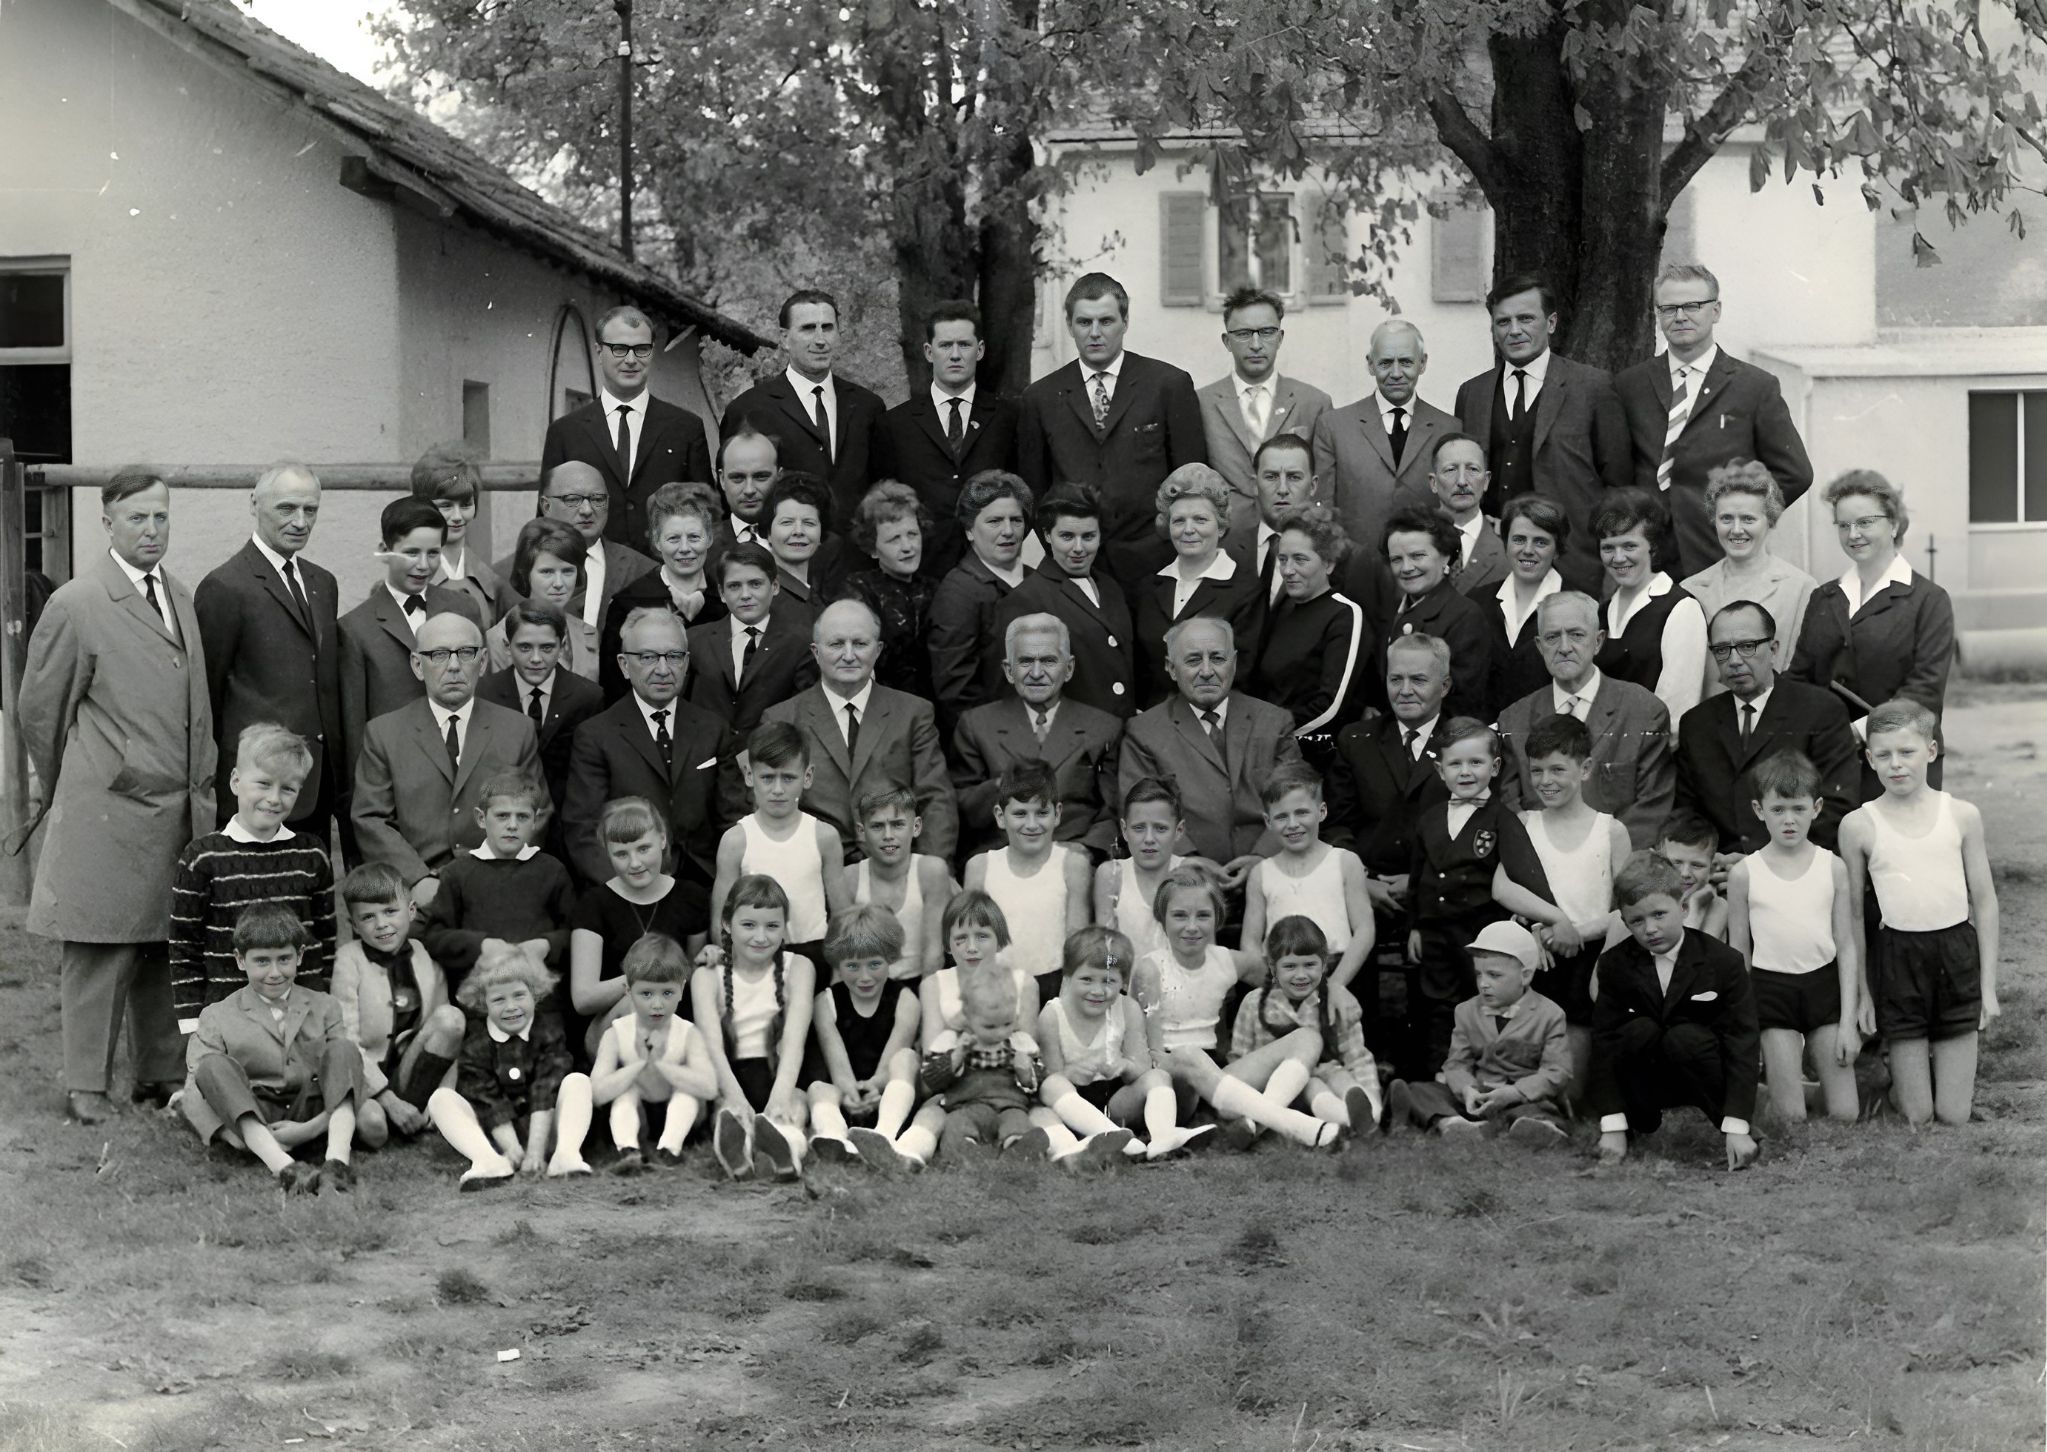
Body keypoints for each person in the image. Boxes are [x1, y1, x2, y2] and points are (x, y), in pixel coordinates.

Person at [18, 466, 216, 1122]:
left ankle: (159, 1073)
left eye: (161, 517)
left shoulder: (179, 596)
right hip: (107, 812)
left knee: (164, 944)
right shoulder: (78, 602)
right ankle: (86, 1087)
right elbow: (40, 712)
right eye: (138, 518)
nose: (152, 530)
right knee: (100, 948)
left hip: (176, 809)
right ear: (107, 523)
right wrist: (78, 785)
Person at [1839, 699, 1999, 1126]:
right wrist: (1863, 996)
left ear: (1930, 751)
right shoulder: (1858, 825)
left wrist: (1987, 987)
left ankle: (1940, 1075)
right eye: (1884, 755)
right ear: (1869, 758)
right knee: (1919, 1116)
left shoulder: (1963, 816)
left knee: (1953, 1115)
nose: (1896, 765)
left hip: (1955, 956)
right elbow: (1854, 916)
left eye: (1907, 752)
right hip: (1897, 959)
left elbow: (1984, 901)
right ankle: (1901, 1085)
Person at [1614, 265, 1813, 577]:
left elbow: (1795, 473)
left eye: (1693, 306)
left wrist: (1744, 519)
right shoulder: (1631, 385)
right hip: (1648, 557)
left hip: (1719, 554)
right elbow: (1618, 472)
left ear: (1716, 311)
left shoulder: (1754, 386)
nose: (1680, 317)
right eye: (1668, 308)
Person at [1016, 272, 1207, 590]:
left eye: (1105, 321)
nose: (1094, 333)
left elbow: (1191, 479)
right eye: (1084, 323)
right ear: (1069, 325)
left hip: (1156, 564)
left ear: (1125, 320)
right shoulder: (1040, 398)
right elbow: (1034, 491)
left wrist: (1166, 543)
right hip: (1076, 568)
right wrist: (1067, 545)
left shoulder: (1167, 385)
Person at [1132, 866, 1343, 1150]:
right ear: (1162, 918)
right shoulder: (1151, 969)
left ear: (1217, 919)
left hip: (1217, 1078)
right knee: (1189, 1055)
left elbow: (1286, 973)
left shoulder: (1226, 961)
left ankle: (1255, 1123)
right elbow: (1153, 1054)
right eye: (1180, 915)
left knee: (1308, 1038)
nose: (1192, 926)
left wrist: (1332, 989)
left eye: (1203, 915)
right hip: (1170, 1084)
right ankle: (1295, 1125)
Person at [1404, 718, 1565, 1080]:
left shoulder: (1502, 821)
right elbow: (1418, 879)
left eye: (1475, 763)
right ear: (1439, 769)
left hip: (1481, 938)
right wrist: (1415, 926)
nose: (1465, 772)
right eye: (1455, 764)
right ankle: (1438, 1077)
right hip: (1436, 936)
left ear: (1494, 768)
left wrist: (1539, 927)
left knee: (1482, 1002)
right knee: (1438, 1004)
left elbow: (1527, 877)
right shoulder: (1429, 820)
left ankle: (1489, 1073)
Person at [350, 611, 543, 910]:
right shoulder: (384, 732)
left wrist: (497, 873)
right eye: (438, 655)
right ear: (417, 665)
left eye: (465, 653)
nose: (454, 666)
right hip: (416, 895)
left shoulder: (517, 729)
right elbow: (371, 819)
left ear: (483, 662)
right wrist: (417, 880)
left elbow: (538, 811)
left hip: (498, 888)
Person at [194, 461, 343, 840]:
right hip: (258, 791)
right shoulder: (225, 586)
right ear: (254, 504)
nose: (300, 522)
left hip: (314, 783)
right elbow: (207, 697)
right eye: (287, 509)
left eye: (310, 510)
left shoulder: (322, 583)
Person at [1788, 471, 1956, 796]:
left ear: (1893, 524)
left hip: (1902, 760)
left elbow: (1924, 691)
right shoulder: (1824, 597)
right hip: (1829, 762)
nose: (1853, 534)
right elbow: (1800, 677)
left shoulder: (1929, 600)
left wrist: (1855, 732)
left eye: (1865, 522)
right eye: (1843, 525)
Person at [1590, 852, 1761, 1171]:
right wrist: (1611, 1125)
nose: (1650, 929)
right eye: (1637, 921)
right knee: (1637, 1030)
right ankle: (1633, 1124)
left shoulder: (1723, 962)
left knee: (1685, 1037)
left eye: (1659, 914)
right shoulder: (1614, 965)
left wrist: (1737, 1124)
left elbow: (1742, 1042)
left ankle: (1735, 1129)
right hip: (1646, 1074)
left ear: (1683, 908)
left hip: (1703, 1068)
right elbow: (1605, 1043)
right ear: (1624, 922)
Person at [179, 904, 363, 1194]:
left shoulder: (324, 1005)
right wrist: (233, 1135)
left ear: (299, 956)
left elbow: (345, 1076)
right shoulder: (216, 1015)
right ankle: (285, 1168)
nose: (275, 972)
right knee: (210, 1066)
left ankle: (337, 1164)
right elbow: (195, 1088)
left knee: (344, 1049)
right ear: (240, 960)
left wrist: (312, 1129)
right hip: (253, 1111)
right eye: (262, 961)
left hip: (310, 1108)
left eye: (284, 959)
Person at [562, 609, 743, 895]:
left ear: (686, 663)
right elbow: (583, 831)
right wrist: (625, 889)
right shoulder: (596, 735)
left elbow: (733, 820)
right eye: (647, 657)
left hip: (705, 884)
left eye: (673, 656)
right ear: (623, 664)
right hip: (627, 888)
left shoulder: (713, 729)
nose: (662, 669)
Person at [762, 598, 959, 859]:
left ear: (877, 650)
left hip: (894, 869)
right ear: (815, 651)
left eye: (860, 644)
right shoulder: (782, 718)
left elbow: (936, 801)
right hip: (814, 868)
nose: (848, 655)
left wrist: (932, 871)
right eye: (836, 644)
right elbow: (768, 808)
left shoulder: (913, 713)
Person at [1452, 274, 1630, 563]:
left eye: (1526, 319)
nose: (1514, 330)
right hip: (1492, 559)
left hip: (1571, 558)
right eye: (1503, 322)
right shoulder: (1472, 393)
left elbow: (1618, 483)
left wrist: (1599, 550)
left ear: (1551, 323)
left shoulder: (1592, 387)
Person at [1726, 752, 1861, 1124]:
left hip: (1823, 989)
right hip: (1772, 992)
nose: (1789, 820)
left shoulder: (1832, 868)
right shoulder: (1744, 874)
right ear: (1759, 809)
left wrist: (1848, 1022)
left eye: (1799, 809)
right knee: (1791, 1119)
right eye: (1778, 809)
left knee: (1846, 1114)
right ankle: (1777, 1088)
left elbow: (1846, 946)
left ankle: (1803, 1085)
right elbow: (1739, 953)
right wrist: (1744, 1023)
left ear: (1816, 808)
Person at [170, 724, 336, 1020]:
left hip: (300, 1015)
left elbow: (324, 942)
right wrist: (193, 1022)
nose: (274, 798)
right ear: (235, 781)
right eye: (263, 783)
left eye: (287, 788)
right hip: (228, 1018)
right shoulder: (202, 857)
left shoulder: (311, 855)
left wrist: (320, 1007)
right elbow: (185, 947)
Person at [1118, 617, 1301, 884]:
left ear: (1234, 663)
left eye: (1217, 658)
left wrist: (1263, 860)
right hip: (1183, 882)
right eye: (1193, 660)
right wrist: (1186, 862)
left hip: (1274, 875)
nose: (1206, 671)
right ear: (1171, 667)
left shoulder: (1274, 722)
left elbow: (1295, 802)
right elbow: (1139, 813)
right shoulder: (1144, 732)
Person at [1675, 600, 1859, 856]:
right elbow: (1687, 814)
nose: (1734, 660)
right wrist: (1709, 860)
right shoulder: (1696, 723)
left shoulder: (1821, 710)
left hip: (1796, 868)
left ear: (1773, 649)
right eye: (1721, 650)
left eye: (1747, 646)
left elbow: (1837, 807)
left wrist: (1761, 863)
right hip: (1718, 870)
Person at [1496, 590, 1675, 851]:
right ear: (1538, 645)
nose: (1564, 647)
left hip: (1616, 863)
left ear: (1598, 641)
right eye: (1552, 637)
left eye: (1577, 635)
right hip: (1539, 864)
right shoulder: (1514, 719)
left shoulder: (1644, 711)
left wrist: (1593, 855)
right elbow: (1509, 805)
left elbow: (1652, 806)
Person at [539, 304, 715, 552]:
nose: (631, 360)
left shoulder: (686, 427)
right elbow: (546, 520)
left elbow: (707, 512)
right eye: (619, 349)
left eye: (641, 349)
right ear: (599, 352)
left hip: (665, 578)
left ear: (652, 352)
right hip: (591, 579)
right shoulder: (565, 432)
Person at [1514, 713, 1628, 1092]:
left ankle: (1563, 1104)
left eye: (1558, 770)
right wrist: (1533, 931)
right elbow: (1514, 896)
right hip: (1536, 952)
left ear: (1586, 768)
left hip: (1590, 953)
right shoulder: (1524, 825)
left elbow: (1628, 910)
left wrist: (1576, 931)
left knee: (1572, 1085)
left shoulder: (1610, 830)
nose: (1546, 781)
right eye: (1537, 771)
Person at [1383, 920, 1569, 1142]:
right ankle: (1452, 1124)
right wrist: (1467, 1090)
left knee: (1538, 1108)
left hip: (1523, 1096)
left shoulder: (1550, 1014)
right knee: (1420, 1090)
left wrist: (1515, 1092)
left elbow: (1556, 1072)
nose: (1484, 983)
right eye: (1479, 974)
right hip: (1479, 1095)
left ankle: (1539, 1128)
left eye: (1494, 975)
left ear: (1525, 976)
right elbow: (1456, 1063)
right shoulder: (1466, 1010)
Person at [425, 946, 596, 1187]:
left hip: (546, 1131)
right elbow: (485, 1097)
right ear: (483, 1002)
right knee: (440, 1099)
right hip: (498, 1136)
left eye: (518, 995)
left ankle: (565, 1156)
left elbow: (546, 1087)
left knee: (578, 1081)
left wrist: (536, 1151)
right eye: (498, 999)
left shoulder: (549, 1032)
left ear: (534, 994)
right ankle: (489, 1162)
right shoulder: (476, 1042)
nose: (511, 1007)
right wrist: (512, 1147)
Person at [954, 613, 1123, 856]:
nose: (1036, 673)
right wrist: (1001, 787)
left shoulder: (1104, 728)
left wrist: (1084, 850)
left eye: (1048, 661)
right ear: (1008, 670)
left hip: (1075, 858)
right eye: (1025, 661)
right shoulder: (977, 725)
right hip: (1001, 859)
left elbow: (1113, 811)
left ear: (1069, 668)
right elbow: (961, 807)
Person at [720, 290, 889, 532]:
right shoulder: (749, 409)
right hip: (783, 555)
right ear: (785, 338)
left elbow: (880, 487)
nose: (821, 340)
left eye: (827, 328)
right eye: (808, 328)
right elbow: (735, 497)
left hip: (857, 555)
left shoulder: (867, 406)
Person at [1038, 926, 1208, 1162]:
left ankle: (1163, 1138)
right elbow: (1051, 1074)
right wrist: (1070, 1073)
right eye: (1086, 979)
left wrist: (1124, 1066)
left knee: (1157, 1077)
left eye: (1108, 981)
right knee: (1051, 1085)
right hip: (1074, 1103)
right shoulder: (1052, 1014)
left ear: (1123, 982)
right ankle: (1114, 1138)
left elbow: (1141, 1067)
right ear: (1067, 978)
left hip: (1116, 1103)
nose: (1097, 991)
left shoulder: (1127, 1009)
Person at [337, 496, 480, 778]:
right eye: (411, 553)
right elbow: (355, 728)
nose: (424, 565)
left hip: (461, 766)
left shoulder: (464, 608)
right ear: (385, 551)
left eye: (434, 553)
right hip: (395, 773)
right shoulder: (355, 628)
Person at [878, 300, 1020, 576]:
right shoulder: (895, 425)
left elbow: (1024, 495)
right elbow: (885, 503)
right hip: (920, 570)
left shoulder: (1008, 418)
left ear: (979, 351)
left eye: (964, 345)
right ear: (929, 353)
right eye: (945, 346)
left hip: (992, 571)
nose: (955, 355)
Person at [692, 874, 816, 1182]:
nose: (760, 937)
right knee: (728, 1114)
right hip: (731, 1078)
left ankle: (786, 1148)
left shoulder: (799, 967)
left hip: (780, 1076)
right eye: (749, 925)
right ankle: (738, 1153)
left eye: (772, 926)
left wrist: (780, 1096)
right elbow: (711, 1046)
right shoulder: (707, 976)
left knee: (795, 1108)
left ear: (785, 927)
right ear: (726, 924)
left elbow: (794, 1041)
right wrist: (733, 1095)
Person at [329, 861, 461, 1148]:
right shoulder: (348, 960)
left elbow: (448, 1038)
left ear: (411, 911)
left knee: (451, 1018)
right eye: (368, 917)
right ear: (353, 925)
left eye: (391, 911)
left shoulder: (427, 955)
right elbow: (346, 1040)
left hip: (410, 1071)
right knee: (374, 1129)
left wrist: (445, 1098)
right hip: (367, 1078)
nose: (382, 924)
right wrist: (388, 1100)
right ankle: (386, 1115)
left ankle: (426, 1109)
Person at [567, 798, 709, 1059]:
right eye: (621, 854)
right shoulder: (593, 905)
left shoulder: (692, 898)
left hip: (676, 1023)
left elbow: (692, 975)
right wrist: (647, 978)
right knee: (638, 1004)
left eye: (644, 849)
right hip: (612, 1031)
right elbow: (583, 998)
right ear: (607, 852)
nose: (634, 863)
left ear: (663, 840)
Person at [1313, 319, 1461, 557]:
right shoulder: (1334, 426)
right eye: (1385, 363)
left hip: (1425, 568)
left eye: (1405, 362)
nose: (1395, 373)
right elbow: (1323, 511)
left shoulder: (1449, 428)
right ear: (1370, 365)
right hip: (1355, 569)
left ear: (1422, 363)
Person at [1327, 635, 1451, 918]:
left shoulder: (1468, 741)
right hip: (1365, 892)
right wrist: (1360, 880)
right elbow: (1336, 824)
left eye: (1418, 680)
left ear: (1444, 686)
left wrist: (1423, 880)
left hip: (1443, 897)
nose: (1405, 691)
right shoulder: (1356, 740)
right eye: (1396, 680)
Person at [1195, 286, 1333, 538]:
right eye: (1244, 334)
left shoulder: (1313, 402)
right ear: (1227, 341)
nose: (1256, 344)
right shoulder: (1201, 403)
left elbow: (1322, 486)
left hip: (1293, 538)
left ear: (1280, 337)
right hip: (1225, 540)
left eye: (1266, 332)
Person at [991, 484, 1137, 718]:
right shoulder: (1025, 598)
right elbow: (1012, 694)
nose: (1078, 548)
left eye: (1088, 536)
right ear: (1048, 535)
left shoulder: (1110, 588)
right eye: (1067, 536)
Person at [420, 770, 575, 990]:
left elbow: (575, 934)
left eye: (522, 816)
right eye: (502, 816)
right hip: (478, 999)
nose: (512, 825)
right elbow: (435, 937)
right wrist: (481, 945)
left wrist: (546, 945)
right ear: (481, 818)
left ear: (535, 821)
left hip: (541, 999)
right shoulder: (458, 873)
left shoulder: (552, 871)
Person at [712, 721, 848, 969]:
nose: (777, 789)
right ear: (749, 776)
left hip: (815, 955)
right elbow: (721, 920)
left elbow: (842, 916)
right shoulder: (736, 840)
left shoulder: (823, 836)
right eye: (767, 778)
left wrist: (839, 968)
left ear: (807, 777)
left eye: (788, 778)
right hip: (755, 956)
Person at [1229, 915, 1382, 1135]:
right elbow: (1241, 1059)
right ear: (1273, 968)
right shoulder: (1254, 1004)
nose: (1301, 975)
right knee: (1310, 1083)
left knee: (1340, 1076)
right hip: (1278, 1090)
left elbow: (1357, 1058)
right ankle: (1348, 1120)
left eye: (1310, 965)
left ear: (1324, 964)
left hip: (1330, 1080)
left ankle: (1371, 1113)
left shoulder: (1336, 1002)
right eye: (1290, 966)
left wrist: (1371, 1092)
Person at [477, 600, 605, 862]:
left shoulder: (587, 697)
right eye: (525, 647)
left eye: (547, 648)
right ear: (506, 646)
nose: (536, 659)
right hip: (504, 831)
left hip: (569, 833)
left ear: (563, 645)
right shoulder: (484, 694)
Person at [802, 907, 931, 1166]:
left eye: (874, 964)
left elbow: (892, 1058)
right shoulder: (826, 1002)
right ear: (838, 962)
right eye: (852, 966)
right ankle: (834, 1137)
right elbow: (836, 1062)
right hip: (846, 1095)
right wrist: (850, 1092)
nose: (864, 977)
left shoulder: (905, 999)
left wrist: (876, 1087)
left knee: (906, 1058)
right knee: (818, 1088)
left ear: (890, 958)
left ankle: (886, 1134)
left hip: (889, 1096)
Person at [964, 759, 1094, 1008]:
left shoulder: (1072, 865)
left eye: (1042, 813)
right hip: (998, 988)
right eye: (1020, 814)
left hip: (1055, 985)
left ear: (1057, 813)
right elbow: (972, 941)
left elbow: (1076, 938)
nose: (1032, 824)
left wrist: (1064, 1004)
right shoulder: (980, 867)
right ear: (1001, 817)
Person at [1240, 504, 1368, 755]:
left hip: (1311, 753)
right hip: (1266, 747)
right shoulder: (1283, 608)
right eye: (1283, 559)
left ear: (1329, 563)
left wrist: (1272, 737)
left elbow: (1331, 706)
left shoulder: (1345, 614)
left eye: (1300, 559)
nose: (1288, 570)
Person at [1677, 461, 1817, 691]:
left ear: (1769, 520)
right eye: (1726, 519)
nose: (1737, 529)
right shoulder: (1691, 589)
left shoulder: (1801, 588)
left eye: (1748, 519)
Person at [1134, 464, 1266, 701]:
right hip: (1152, 723)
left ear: (1222, 526)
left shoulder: (1246, 590)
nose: (1188, 530)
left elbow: (1243, 672)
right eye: (1179, 521)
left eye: (1200, 519)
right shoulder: (1149, 587)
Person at [588, 933, 717, 1173]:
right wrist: (638, 1065)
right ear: (628, 990)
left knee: (687, 1093)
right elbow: (597, 1093)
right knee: (626, 1091)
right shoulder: (616, 1033)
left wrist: (661, 1064)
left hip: (680, 1119)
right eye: (646, 994)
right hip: (639, 1115)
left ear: (681, 990)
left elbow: (709, 1087)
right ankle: (628, 1150)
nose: (657, 1004)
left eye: (667, 993)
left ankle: (670, 1149)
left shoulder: (688, 1033)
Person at [1241, 763, 1373, 995]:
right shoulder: (1261, 872)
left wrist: (1338, 984)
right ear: (1268, 821)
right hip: (1280, 978)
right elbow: (1250, 942)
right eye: (1281, 816)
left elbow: (1364, 929)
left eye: (1302, 812)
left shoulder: (1344, 862)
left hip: (1337, 972)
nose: (1293, 824)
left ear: (1321, 812)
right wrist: (1273, 988)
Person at [597, 480, 729, 702]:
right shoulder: (628, 603)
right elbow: (613, 687)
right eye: (673, 538)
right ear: (657, 541)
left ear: (710, 538)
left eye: (694, 537)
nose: (685, 548)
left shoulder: (725, 601)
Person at [499, 462, 657, 645]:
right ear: (546, 506)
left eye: (597, 499)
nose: (587, 510)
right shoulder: (503, 577)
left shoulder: (644, 571)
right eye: (572, 500)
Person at [1592, 488, 1709, 731]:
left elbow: (1676, 711)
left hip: (1654, 755)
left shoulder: (1680, 608)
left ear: (1652, 547)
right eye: (1608, 548)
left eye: (1629, 546)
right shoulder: (1601, 612)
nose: (1618, 557)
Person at [928, 470, 1036, 732]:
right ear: (969, 531)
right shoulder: (958, 592)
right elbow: (956, 690)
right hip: (995, 742)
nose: (1008, 531)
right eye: (994, 521)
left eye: (1016, 520)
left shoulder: (1038, 581)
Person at [685, 540, 819, 737]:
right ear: (722, 593)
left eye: (755, 584)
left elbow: (805, 712)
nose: (745, 595)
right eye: (734, 586)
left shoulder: (800, 643)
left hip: (771, 759)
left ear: (775, 586)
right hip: (706, 759)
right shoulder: (695, 641)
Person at [918, 968, 1053, 1159]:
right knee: (956, 1125)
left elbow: (1039, 1079)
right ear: (968, 1020)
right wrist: (956, 1056)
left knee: (1018, 1123)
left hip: (1010, 1107)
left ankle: (1017, 1147)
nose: (999, 1033)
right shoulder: (954, 1042)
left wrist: (1025, 1072)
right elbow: (930, 1078)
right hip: (966, 1107)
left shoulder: (1019, 1043)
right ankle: (966, 1150)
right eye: (990, 1026)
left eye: (1006, 1024)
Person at [1377, 504, 1493, 721]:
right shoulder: (1392, 611)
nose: (1406, 567)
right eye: (1396, 559)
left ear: (1445, 556)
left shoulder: (1465, 616)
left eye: (1417, 556)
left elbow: (1461, 703)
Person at [1472, 494, 1572, 720]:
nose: (1528, 550)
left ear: (1557, 549)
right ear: (1505, 542)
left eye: (1540, 542)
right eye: (1518, 539)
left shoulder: (1579, 606)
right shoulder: (1477, 603)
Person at [839, 481, 938, 702]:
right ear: (873, 548)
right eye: (894, 538)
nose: (907, 547)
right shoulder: (859, 591)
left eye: (912, 534)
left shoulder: (936, 589)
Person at [849, 787, 953, 981]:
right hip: (867, 985)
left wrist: (924, 1004)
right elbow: (845, 953)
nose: (888, 835)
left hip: (921, 981)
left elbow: (934, 955)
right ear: (862, 832)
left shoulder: (930, 871)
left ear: (916, 827)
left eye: (897, 825)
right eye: (877, 826)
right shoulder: (851, 877)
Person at [919, 889, 1041, 1054]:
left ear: (999, 939)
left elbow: (1030, 1054)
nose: (971, 948)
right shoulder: (934, 984)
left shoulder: (1024, 983)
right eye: (961, 938)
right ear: (948, 944)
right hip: (952, 1072)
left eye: (982, 936)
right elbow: (930, 1053)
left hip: (1007, 1071)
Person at [1093, 777, 1190, 965]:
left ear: (1179, 830)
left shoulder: (1188, 873)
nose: (1149, 839)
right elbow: (1107, 950)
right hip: (1124, 986)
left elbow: (1204, 953)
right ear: (1124, 829)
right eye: (1138, 828)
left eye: (1160, 829)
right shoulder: (1112, 875)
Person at [488, 517, 599, 679]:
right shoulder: (497, 640)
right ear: (525, 573)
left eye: (568, 571)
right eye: (547, 572)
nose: (559, 583)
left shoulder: (589, 634)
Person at [411, 443, 507, 623]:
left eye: (465, 505)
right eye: (446, 506)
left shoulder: (492, 584)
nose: (457, 516)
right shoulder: (408, 577)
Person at [1424, 433, 1508, 594]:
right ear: (1433, 482)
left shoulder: (1508, 545)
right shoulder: (1412, 539)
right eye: (1450, 470)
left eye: (1473, 469)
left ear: (1486, 481)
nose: (1462, 481)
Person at [758, 471, 850, 610]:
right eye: (787, 522)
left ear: (821, 533)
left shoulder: (824, 599)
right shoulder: (757, 595)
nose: (798, 531)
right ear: (769, 532)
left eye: (809, 523)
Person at [1657, 813, 1730, 940]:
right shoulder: (1645, 904)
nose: (1685, 873)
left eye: (1697, 865)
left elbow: (1695, 957)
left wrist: (1694, 907)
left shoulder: (1718, 906)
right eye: (1676, 863)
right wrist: (1694, 913)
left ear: (1712, 870)